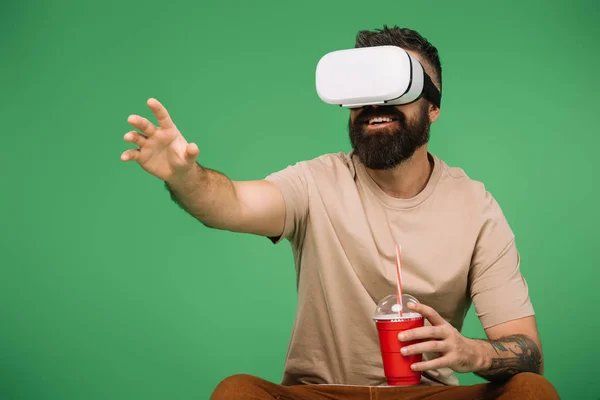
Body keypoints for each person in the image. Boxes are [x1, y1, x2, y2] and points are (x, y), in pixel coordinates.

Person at [120, 26, 560, 400]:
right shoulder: (315, 182)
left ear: (434, 107)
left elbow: (528, 352)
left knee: (530, 391)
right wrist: (184, 176)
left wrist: (470, 352)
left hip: (427, 392)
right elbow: (230, 203)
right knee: (237, 391)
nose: (375, 104)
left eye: (396, 87)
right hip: (322, 392)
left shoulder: (475, 206)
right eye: (363, 90)